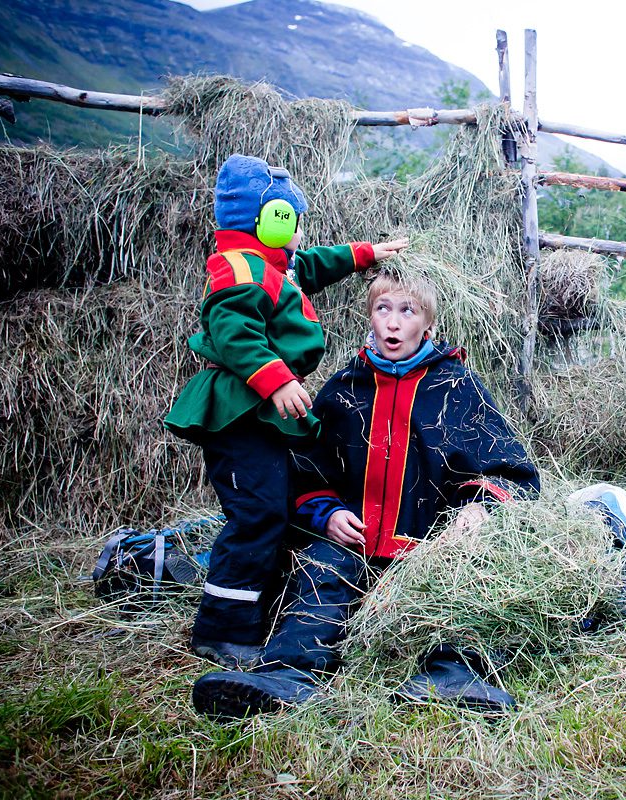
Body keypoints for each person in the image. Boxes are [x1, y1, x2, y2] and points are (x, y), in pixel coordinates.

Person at [191, 272, 540, 720]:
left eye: (407, 311)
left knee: (462, 582)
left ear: (427, 325)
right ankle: (285, 675)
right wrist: (327, 512)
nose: (393, 323)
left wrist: (478, 507)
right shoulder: (345, 388)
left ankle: (453, 674)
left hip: (428, 547)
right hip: (355, 541)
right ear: (369, 317)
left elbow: (508, 467)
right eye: (383, 309)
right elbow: (307, 466)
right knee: (322, 572)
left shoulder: (456, 388)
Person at [164, 154, 409, 668]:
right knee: (256, 513)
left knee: (272, 506)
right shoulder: (237, 270)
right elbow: (234, 333)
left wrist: (365, 254)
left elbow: (311, 267)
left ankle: (255, 608)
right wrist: (276, 381)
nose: (300, 232)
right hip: (240, 410)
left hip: (258, 411)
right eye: (295, 221)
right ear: (269, 218)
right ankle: (223, 630)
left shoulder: (271, 265)